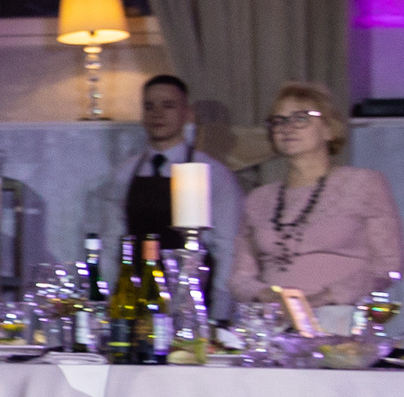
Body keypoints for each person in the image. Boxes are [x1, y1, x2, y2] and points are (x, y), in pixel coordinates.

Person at [230, 81, 404, 311]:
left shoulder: (363, 184)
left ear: (329, 129)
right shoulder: (259, 199)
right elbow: (239, 278)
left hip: (342, 321)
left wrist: (320, 300)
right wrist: (269, 297)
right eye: (278, 120)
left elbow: (387, 266)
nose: (287, 127)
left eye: (301, 118)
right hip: (274, 323)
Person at [108, 73, 241, 316]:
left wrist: (220, 313)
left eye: (168, 106)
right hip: (136, 300)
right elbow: (112, 244)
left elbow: (227, 248)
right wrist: (109, 299)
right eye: (149, 106)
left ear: (187, 113)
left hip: (192, 303)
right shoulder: (124, 174)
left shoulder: (213, 174)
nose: (157, 114)